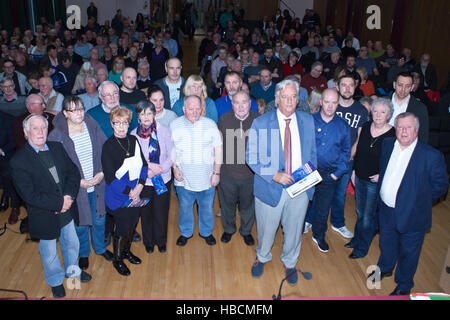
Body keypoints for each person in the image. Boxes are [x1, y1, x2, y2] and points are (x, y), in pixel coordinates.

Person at [10, 114, 91, 298]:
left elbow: (73, 172)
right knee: (49, 253)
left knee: (71, 243)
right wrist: (58, 203)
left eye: (44, 127)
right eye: (35, 128)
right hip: (45, 215)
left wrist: (68, 197)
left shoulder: (57, 147)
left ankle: (73, 273)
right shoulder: (19, 161)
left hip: (67, 208)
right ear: (25, 132)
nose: (40, 132)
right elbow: (29, 195)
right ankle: (55, 280)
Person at [246, 79, 317, 285]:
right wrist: (275, 175)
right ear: (277, 99)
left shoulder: (307, 120)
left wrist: (309, 178)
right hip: (271, 186)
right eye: (284, 96)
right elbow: (251, 156)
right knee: (267, 228)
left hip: (300, 187)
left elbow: (312, 153)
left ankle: (290, 261)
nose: (289, 100)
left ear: (298, 99)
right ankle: (262, 256)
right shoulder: (261, 122)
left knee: (294, 228)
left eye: (293, 96)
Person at [371, 112, 448, 295]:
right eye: (399, 127)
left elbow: (441, 186)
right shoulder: (388, 144)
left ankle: (404, 286)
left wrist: (417, 202)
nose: (403, 131)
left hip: (413, 216)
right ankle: (385, 267)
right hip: (386, 209)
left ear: (417, 130)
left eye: (408, 127)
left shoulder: (431, 156)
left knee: (409, 253)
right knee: (386, 243)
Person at [48, 96, 113, 271]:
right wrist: (77, 182)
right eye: (73, 110)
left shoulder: (92, 125)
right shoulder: (57, 135)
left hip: (98, 183)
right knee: (81, 224)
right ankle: (84, 253)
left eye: (81, 109)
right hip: (76, 189)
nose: (79, 113)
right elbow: (55, 168)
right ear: (65, 113)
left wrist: (101, 173)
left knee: (100, 218)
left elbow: (106, 150)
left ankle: (99, 248)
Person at [170, 95, 223, 247]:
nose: (194, 112)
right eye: (190, 109)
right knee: (185, 207)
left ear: (202, 109)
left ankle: (206, 232)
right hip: (183, 178)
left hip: (207, 177)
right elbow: (171, 150)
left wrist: (216, 172)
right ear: (183, 109)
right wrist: (174, 168)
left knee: (206, 207)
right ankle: (186, 232)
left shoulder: (210, 124)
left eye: (198, 109)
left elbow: (218, 150)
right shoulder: (174, 125)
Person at [101, 105, 148, 276]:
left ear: (129, 124)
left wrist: (140, 186)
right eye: (117, 122)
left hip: (136, 191)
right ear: (112, 124)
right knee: (121, 228)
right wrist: (131, 191)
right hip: (119, 196)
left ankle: (126, 252)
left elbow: (144, 165)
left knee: (132, 224)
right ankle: (118, 260)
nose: (121, 126)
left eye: (125, 123)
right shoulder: (108, 146)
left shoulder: (133, 140)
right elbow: (111, 178)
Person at [348, 98, 395, 258]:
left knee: (368, 216)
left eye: (383, 112)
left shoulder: (392, 134)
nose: (378, 115)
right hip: (359, 176)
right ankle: (356, 239)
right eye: (375, 111)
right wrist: (353, 171)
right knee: (360, 212)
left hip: (374, 182)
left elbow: (395, 161)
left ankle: (362, 247)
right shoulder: (366, 126)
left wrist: (382, 175)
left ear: (389, 115)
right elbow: (359, 150)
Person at [304, 89, 351, 252]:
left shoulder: (343, 126)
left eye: (334, 102)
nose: (330, 106)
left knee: (323, 209)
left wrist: (336, 174)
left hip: (329, 174)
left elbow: (346, 153)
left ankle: (319, 235)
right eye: (327, 102)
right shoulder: (309, 121)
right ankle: (295, 232)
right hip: (308, 172)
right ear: (321, 102)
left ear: (337, 104)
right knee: (301, 205)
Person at [131, 100, 175, 254]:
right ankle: (148, 242)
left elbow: (172, 154)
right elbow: (133, 160)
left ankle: (161, 241)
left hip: (162, 178)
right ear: (138, 117)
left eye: (149, 113)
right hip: (143, 182)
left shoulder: (164, 130)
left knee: (161, 212)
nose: (146, 117)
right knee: (146, 212)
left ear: (154, 114)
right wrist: (149, 168)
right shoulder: (133, 135)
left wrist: (160, 168)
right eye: (143, 114)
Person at [218, 91, 258, 245]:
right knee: (227, 204)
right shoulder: (224, 120)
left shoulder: (258, 120)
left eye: (244, 102)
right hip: (227, 173)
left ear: (250, 103)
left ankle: (246, 231)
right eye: (236, 102)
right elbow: (218, 146)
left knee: (248, 206)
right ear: (232, 104)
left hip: (250, 175)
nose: (241, 106)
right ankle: (228, 229)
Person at [390, 72, 429, 143]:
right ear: (394, 84)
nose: (403, 89)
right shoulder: (382, 102)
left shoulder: (420, 108)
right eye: (400, 85)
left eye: (407, 86)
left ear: (412, 87)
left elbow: (423, 136)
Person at [0, 108, 20, 224]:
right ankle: (5, 195)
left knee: (8, 173)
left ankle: (15, 206)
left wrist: (1, 150)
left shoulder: (9, 119)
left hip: (5, 154)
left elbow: (14, 141)